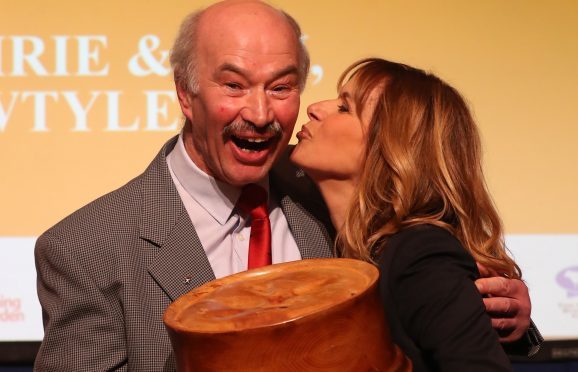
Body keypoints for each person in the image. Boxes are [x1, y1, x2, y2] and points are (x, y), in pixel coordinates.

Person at [34, 1, 538, 370]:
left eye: (281, 87)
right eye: (233, 85)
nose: (259, 114)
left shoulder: (334, 197)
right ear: (186, 95)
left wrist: (506, 318)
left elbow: (426, 313)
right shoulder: (86, 247)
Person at [290, 57, 538, 371]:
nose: (315, 107)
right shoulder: (286, 184)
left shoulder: (419, 254)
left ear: (393, 147)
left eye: (344, 108)